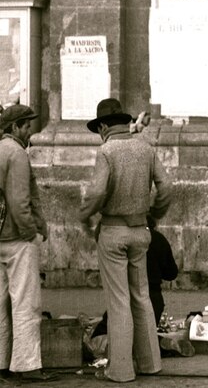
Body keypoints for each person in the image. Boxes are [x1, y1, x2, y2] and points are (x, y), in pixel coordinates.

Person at [79, 98, 172, 382]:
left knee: (119, 301)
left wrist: (85, 215)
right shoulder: (145, 147)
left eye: (99, 129)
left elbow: (96, 194)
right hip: (141, 231)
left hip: (113, 231)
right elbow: (165, 186)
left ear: (105, 126)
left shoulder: (106, 151)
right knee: (141, 296)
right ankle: (150, 364)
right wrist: (154, 214)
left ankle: (120, 370)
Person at [0, 105, 58, 382]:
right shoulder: (16, 153)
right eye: (25, 126)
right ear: (14, 128)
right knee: (25, 304)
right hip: (16, 238)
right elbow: (19, 202)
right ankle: (27, 365)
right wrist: (29, 232)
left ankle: (1, 362)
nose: (29, 131)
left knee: (0, 305)